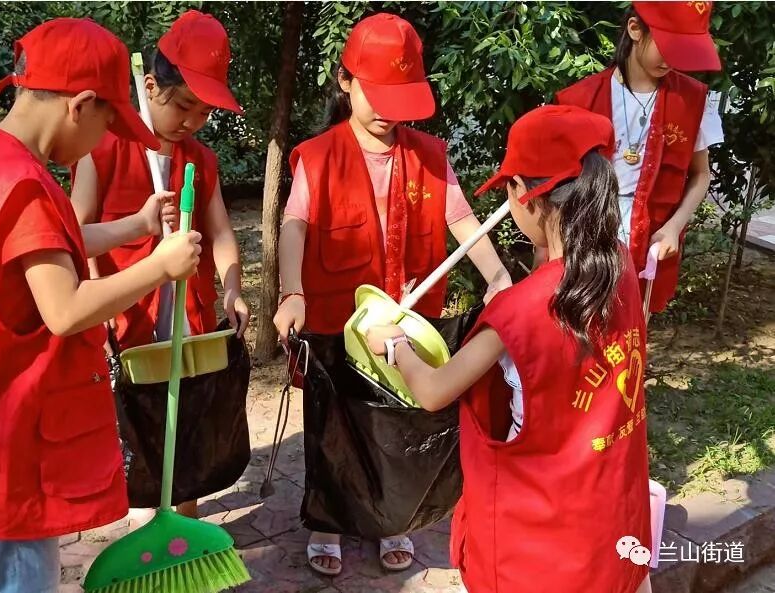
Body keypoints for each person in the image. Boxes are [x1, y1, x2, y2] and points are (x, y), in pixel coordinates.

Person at [0, 18, 202, 593]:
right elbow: (65, 308)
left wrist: (135, 226)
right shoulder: (25, 186)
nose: (102, 141)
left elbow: (49, 247)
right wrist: (160, 267)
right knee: (16, 579)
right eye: (107, 124)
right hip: (9, 435)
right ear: (81, 105)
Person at [367, 105, 653, 593]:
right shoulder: (620, 269)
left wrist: (393, 345)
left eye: (509, 187)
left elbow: (434, 391)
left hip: (538, 547)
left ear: (525, 194)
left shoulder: (517, 313)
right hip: (612, 522)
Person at [272, 12, 512, 576]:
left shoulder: (429, 154)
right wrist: (292, 291)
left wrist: (498, 277)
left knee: (396, 424)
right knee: (334, 423)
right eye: (374, 94)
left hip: (406, 320)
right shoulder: (318, 155)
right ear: (345, 81)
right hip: (335, 320)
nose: (385, 111)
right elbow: (294, 225)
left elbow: (462, 219)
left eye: (397, 98)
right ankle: (328, 522)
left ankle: (391, 519)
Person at [71, 9, 247, 524]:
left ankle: (185, 525)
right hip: (127, 320)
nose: (192, 121)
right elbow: (75, 233)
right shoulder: (102, 148)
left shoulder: (201, 161)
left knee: (189, 423)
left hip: (188, 321)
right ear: (149, 86)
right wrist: (99, 301)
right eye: (184, 105)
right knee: (140, 421)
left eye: (204, 113)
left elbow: (221, 234)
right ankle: (144, 514)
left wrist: (233, 289)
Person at [554, 0, 723, 312]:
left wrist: (675, 225)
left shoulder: (692, 100)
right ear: (634, 29)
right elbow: (558, 185)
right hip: (589, 229)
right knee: (581, 316)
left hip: (652, 234)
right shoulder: (580, 99)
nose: (673, 59)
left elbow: (701, 174)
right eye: (668, 46)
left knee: (634, 322)